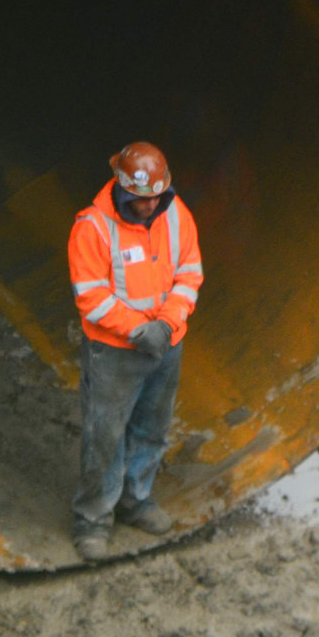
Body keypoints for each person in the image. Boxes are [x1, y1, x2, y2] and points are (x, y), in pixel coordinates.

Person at [67, 141, 204, 562]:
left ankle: (135, 499)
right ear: (122, 188)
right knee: (105, 435)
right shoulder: (92, 227)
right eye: (141, 199)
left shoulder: (176, 214)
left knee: (152, 427)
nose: (149, 206)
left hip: (166, 344)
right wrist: (137, 330)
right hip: (115, 353)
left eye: (156, 197)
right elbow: (90, 296)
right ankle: (93, 518)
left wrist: (166, 324)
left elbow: (190, 273)